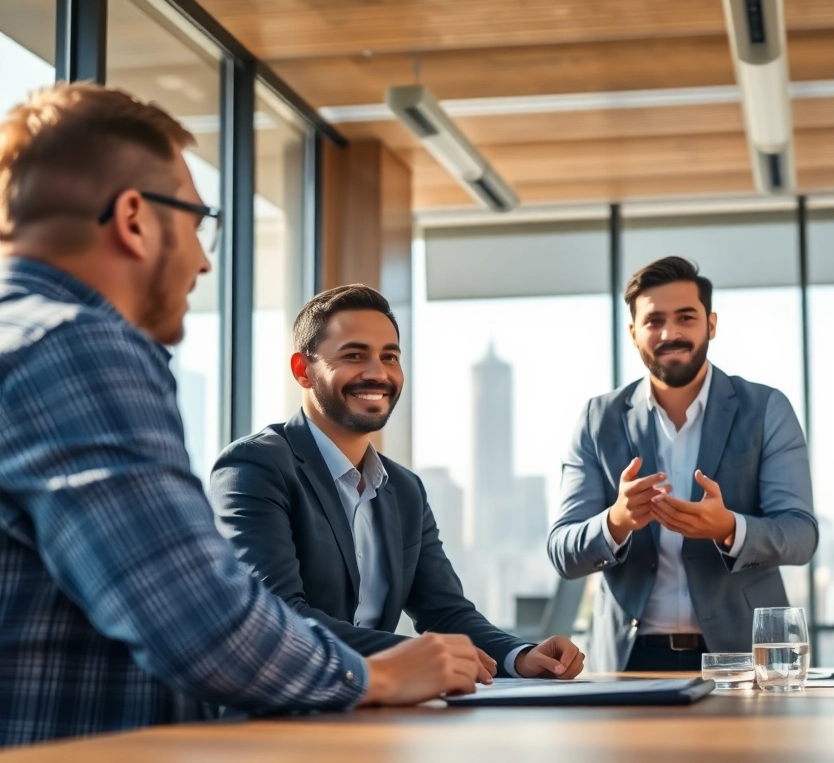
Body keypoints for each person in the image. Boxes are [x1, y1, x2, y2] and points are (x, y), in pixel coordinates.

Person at [0, 84, 478, 747]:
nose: (201, 261)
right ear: (135, 218)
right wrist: (373, 678)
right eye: (197, 223)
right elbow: (192, 615)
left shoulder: (18, 337)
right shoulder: (76, 347)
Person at [211, 285, 584, 681]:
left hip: (379, 709)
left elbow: (444, 611)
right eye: (354, 356)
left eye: (389, 357)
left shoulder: (404, 489)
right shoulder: (255, 466)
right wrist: (417, 653)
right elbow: (278, 616)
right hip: (278, 713)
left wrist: (519, 655)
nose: (377, 373)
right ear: (304, 370)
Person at [548, 256, 818, 672]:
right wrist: (615, 522)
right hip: (627, 663)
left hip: (743, 658)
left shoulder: (766, 409)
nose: (670, 333)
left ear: (711, 324)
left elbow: (801, 536)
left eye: (686, 318)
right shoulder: (596, 418)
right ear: (633, 332)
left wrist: (729, 528)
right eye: (654, 320)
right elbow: (563, 551)